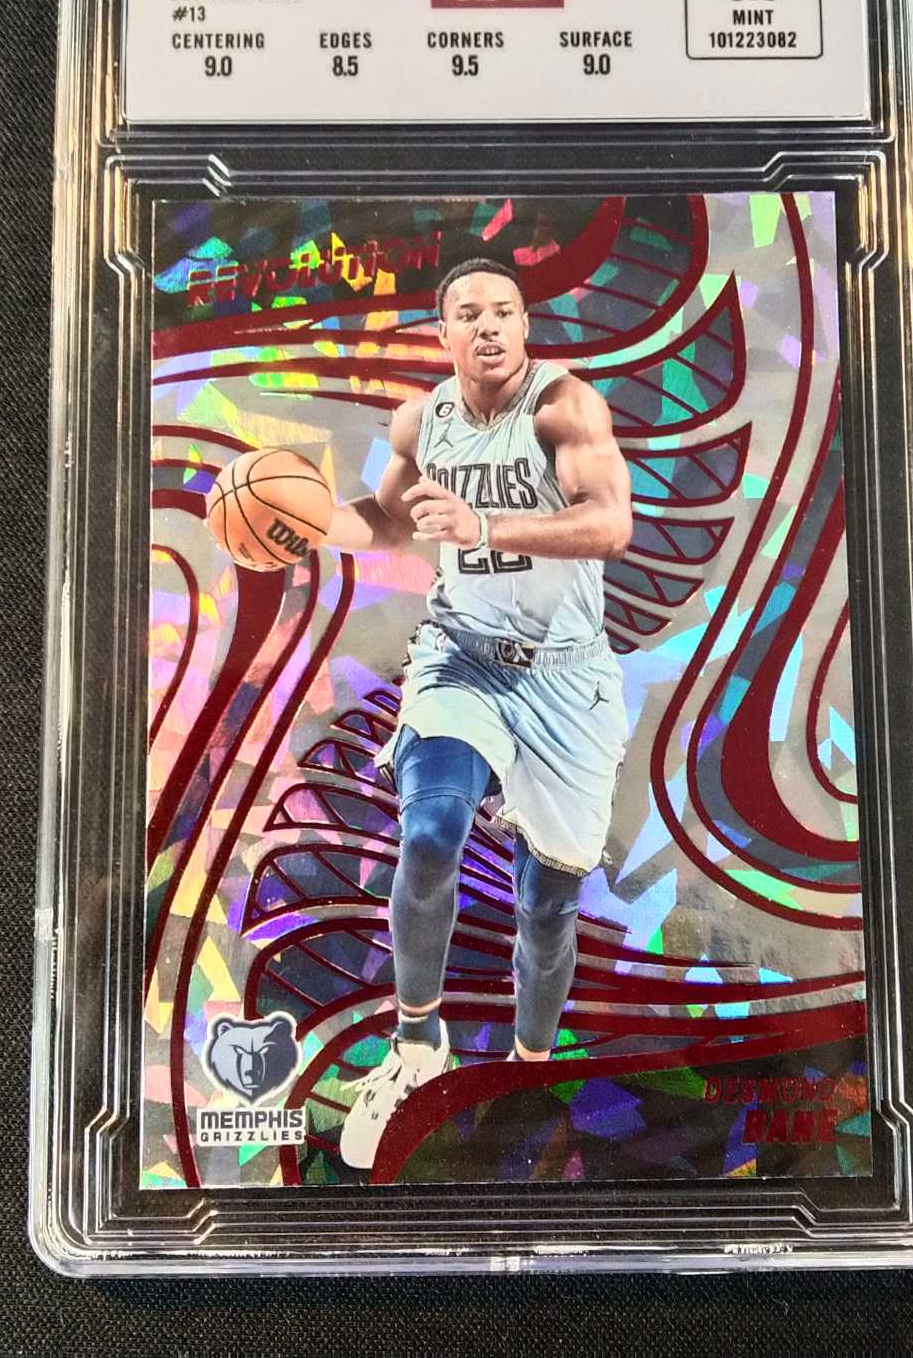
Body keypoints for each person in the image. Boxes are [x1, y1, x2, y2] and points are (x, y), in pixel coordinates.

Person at [321, 257, 633, 1170]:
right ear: (445, 332)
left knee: (547, 906)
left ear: (526, 326)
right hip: (461, 653)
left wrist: (485, 527)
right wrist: (304, 522)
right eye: (470, 313)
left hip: (567, 681)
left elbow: (611, 523)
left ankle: (526, 1072)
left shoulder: (564, 408)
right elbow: (388, 521)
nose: (489, 326)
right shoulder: (421, 422)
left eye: (505, 311)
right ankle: (417, 1045)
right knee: (430, 833)